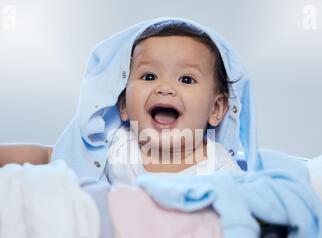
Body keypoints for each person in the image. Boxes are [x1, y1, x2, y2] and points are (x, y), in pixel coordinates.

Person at [0, 17, 258, 183]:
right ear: (123, 105)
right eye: (149, 76)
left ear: (216, 109)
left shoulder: (220, 171)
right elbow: (49, 157)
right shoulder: (114, 145)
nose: (165, 88)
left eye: (186, 79)